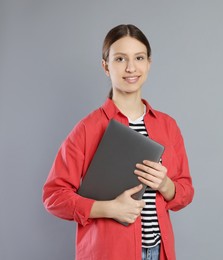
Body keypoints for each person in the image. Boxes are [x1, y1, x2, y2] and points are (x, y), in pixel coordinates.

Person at [42, 24, 194, 260]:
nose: (131, 67)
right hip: (108, 253)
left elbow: (185, 191)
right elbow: (54, 196)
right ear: (106, 66)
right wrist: (108, 208)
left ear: (149, 64)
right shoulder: (87, 128)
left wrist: (165, 184)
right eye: (120, 59)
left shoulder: (168, 126)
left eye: (139, 58)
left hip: (158, 252)